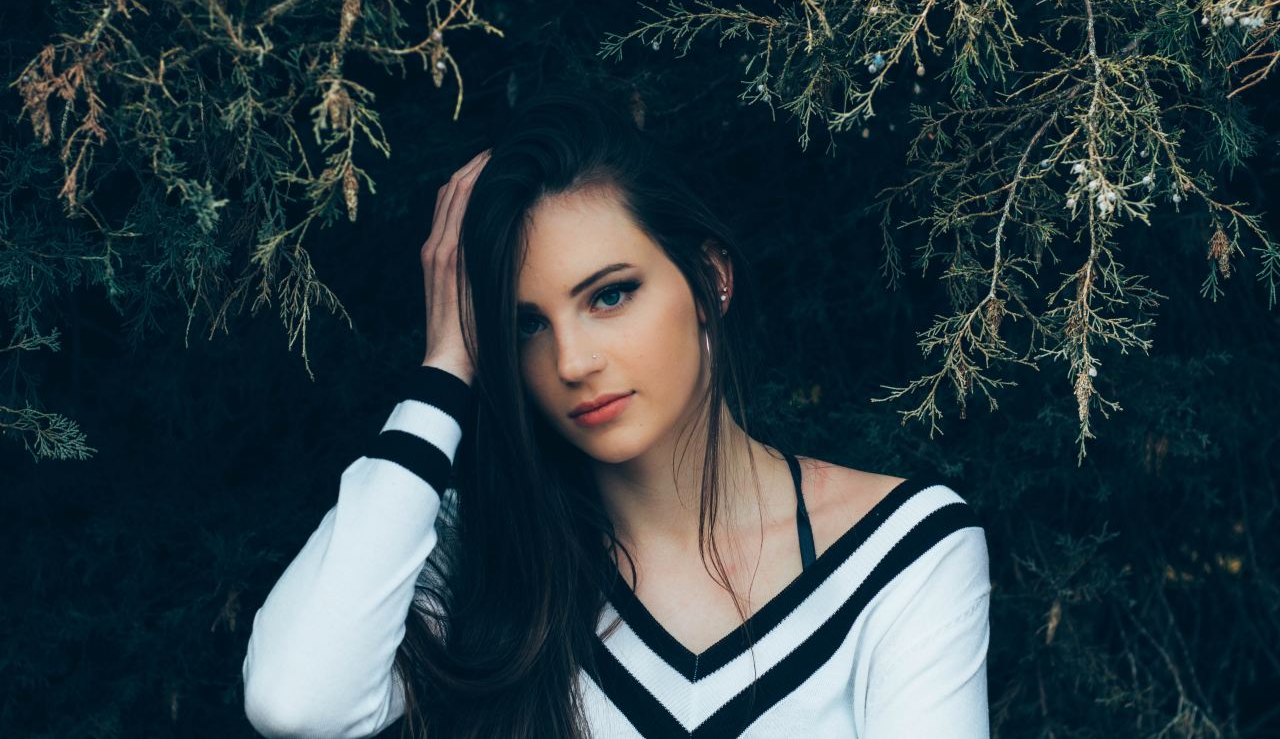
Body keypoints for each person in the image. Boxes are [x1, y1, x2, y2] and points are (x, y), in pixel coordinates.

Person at [241, 87, 991, 738]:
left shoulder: (903, 551)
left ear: (708, 281)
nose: (571, 361)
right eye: (525, 325)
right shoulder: (490, 555)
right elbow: (297, 700)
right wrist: (444, 373)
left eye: (609, 294)